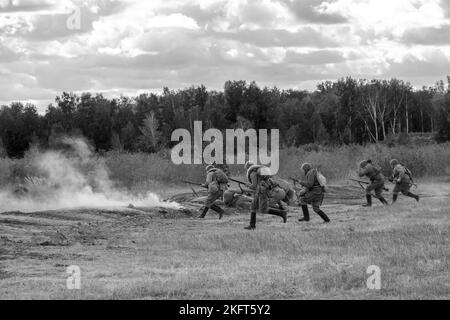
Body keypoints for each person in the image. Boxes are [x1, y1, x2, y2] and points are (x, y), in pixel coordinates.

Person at [244, 164, 287, 230]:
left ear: (248, 167)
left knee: (263, 210)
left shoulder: (252, 173)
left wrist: (248, 185)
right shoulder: (258, 171)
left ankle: (282, 213)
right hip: (261, 191)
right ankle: (252, 225)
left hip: (261, 192)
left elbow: (254, 186)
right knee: (253, 207)